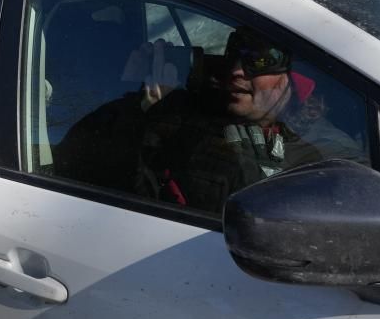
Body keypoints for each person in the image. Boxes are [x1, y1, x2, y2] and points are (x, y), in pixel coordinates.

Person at [134, 27, 365, 213]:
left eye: (259, 61)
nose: (236, 71)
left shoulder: (327, 156)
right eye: (232, 57)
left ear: (296, 82)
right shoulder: (206, 115)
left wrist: (163, 118)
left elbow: (258, 216)